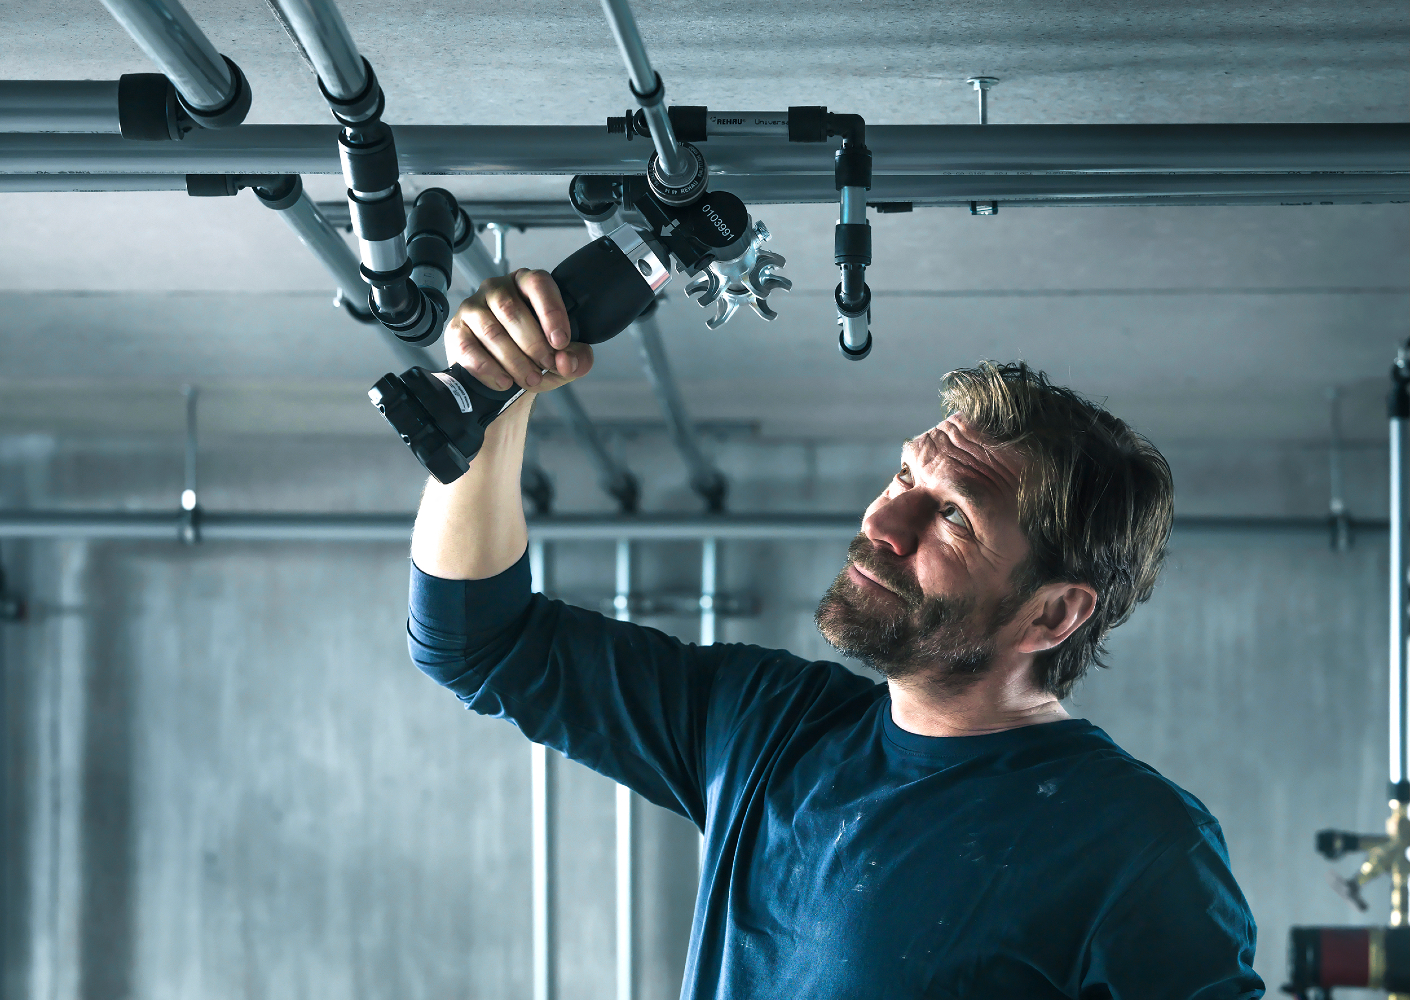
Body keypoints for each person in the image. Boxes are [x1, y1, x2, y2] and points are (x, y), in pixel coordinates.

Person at [406, 269, 1266, 999]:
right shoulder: (768, 725)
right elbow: (477, 640)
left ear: (1052, 613)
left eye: (953, 517)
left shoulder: (1140, 846)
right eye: (902, 473)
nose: (885, 521)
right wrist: (492, 399)